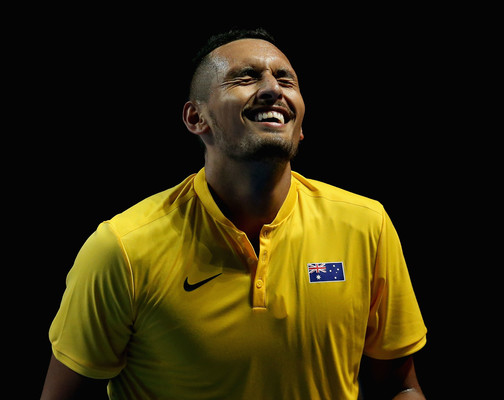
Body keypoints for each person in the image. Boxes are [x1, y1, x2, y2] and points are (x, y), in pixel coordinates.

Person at [42, 28, 428, 399]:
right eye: (245, 77)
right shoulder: (121, 248)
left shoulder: (366, 224)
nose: (273, 89)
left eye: (286, 80)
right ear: (196, 119)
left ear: (300, 125)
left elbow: (399, 386)